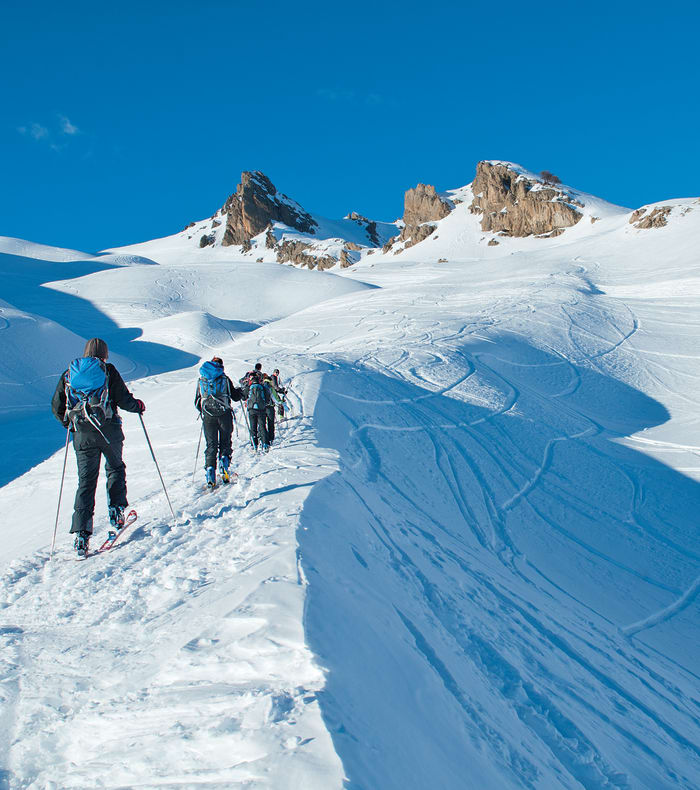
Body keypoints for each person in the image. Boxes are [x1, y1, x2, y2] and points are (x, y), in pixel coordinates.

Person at [51, 338, 145, 557]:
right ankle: (116, 511)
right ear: (105, 353)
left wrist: (72, 425)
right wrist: (137, 406)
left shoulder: (70, 373)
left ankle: (81, 536)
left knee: (85, 482)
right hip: (109, 431)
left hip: (82, 436)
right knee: (115, 468)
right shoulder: (108, 370)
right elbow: (123, 399)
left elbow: (57, 406)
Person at [195, 357, 243, 488]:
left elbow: (197, 401)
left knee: (211, 444)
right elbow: (235, 396)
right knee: (225, 441)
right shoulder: (225, 379)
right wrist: (240, 391)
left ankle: (210, 471)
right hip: (224, 414)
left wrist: (204, 413)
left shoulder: (201, 380)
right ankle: (224, 464)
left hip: (208, 416)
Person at [239, 363, 271, 451]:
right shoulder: (262, 387)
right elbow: (268, 398)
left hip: (251, 409)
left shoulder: (249, 387)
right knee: (262, 426)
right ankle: (265, 444)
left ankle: (254, 444)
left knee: (253, 427)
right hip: (261, 409)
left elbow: (243, 397)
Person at [262, 373, 285, 444]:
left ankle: (263, 439)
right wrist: (281, 402)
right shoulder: (270, 388)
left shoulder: (261, 386)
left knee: (262, 424)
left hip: (261, 408)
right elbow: (275, 399)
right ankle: (271, 438)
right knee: (271, 423)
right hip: (270, 407)